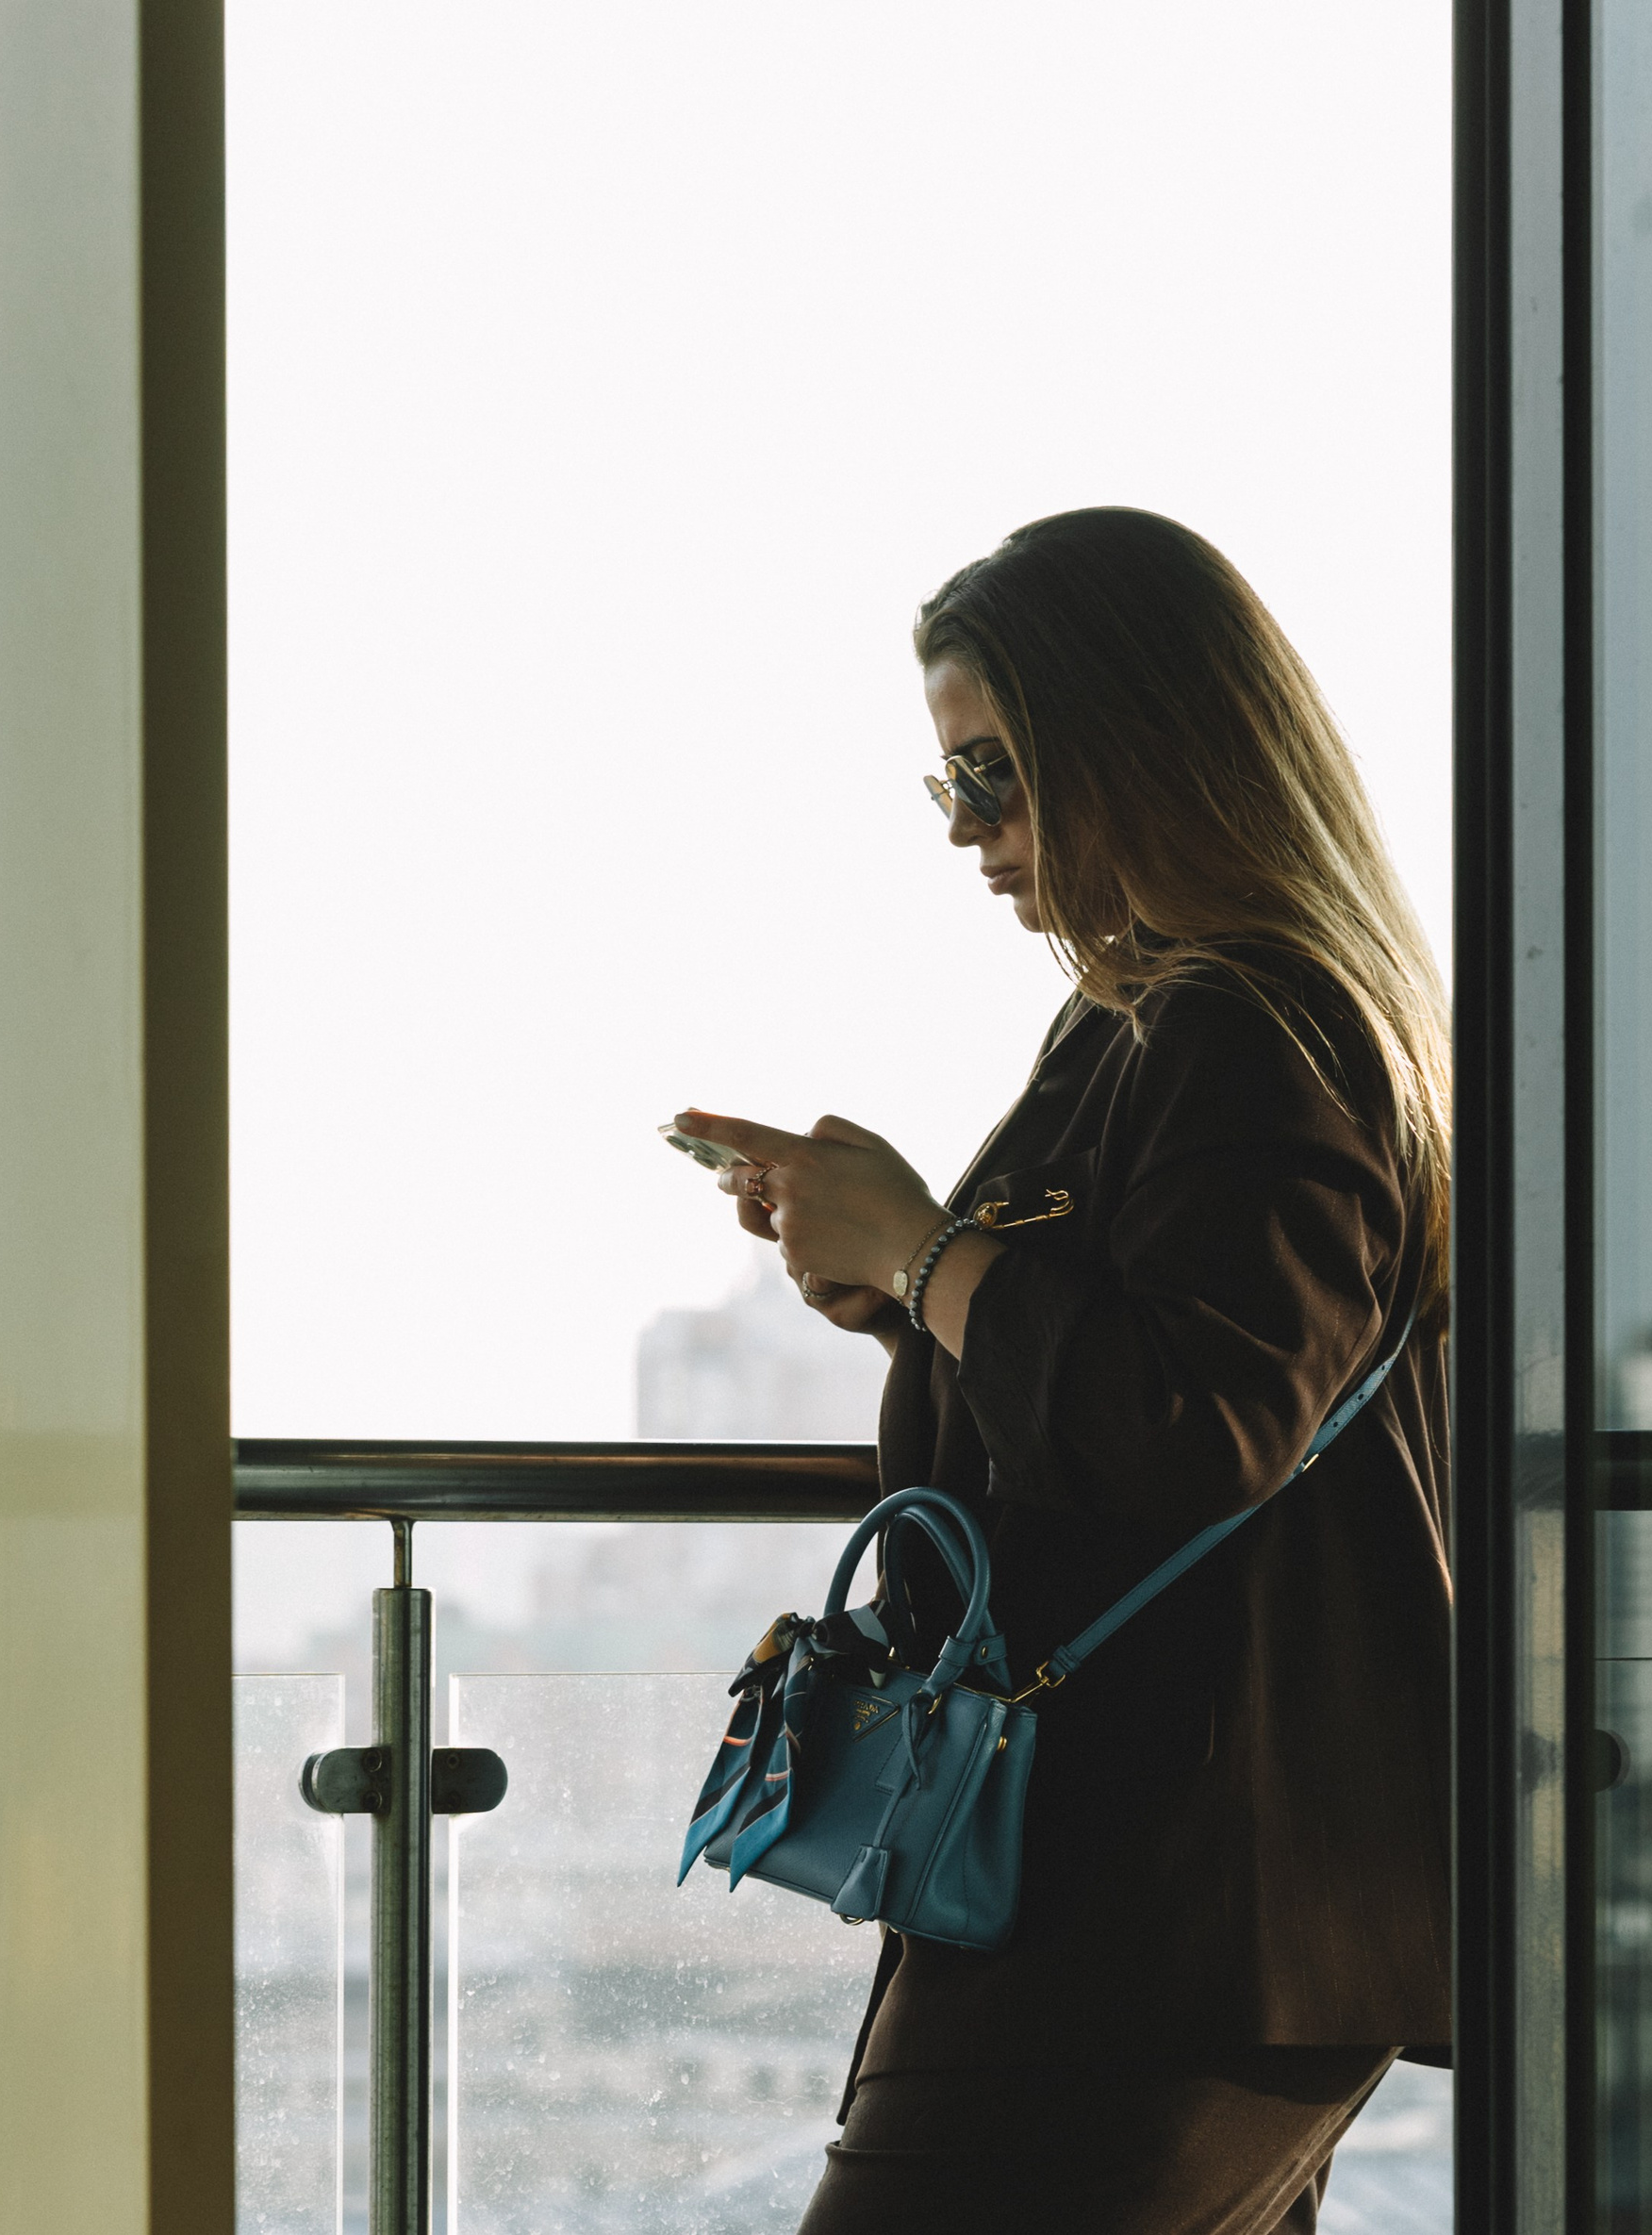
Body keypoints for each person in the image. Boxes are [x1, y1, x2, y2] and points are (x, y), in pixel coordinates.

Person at [675, 506, 1450, 2235]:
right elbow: (1153, 1360)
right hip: (1157, 1878)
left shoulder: (1246, 1022)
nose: (967, 833)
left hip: (1169, 1897)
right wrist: (897, 1284)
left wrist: (925, 1250)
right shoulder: (1166, 1015)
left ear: (1140, 748)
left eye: (995, 777)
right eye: (948, 786)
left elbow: (1204, 1424)